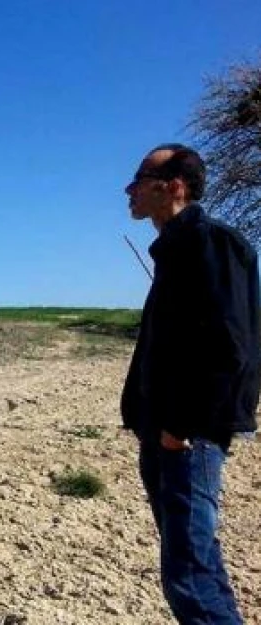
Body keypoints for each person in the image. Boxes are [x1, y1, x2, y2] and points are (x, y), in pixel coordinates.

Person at [121, 143, 259, 624]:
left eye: (139, 178)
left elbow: (231, 349)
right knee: (197, 568)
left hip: (186, 439)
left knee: (191, 582)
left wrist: (178, 429)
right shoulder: (177, 251)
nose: (129, 189)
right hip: (166, 434)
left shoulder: (212, 244)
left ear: (173, 186)